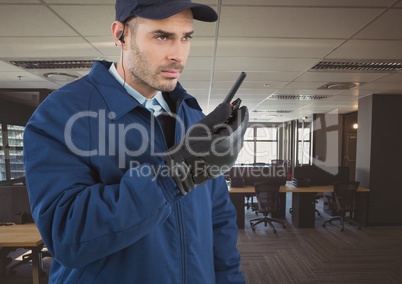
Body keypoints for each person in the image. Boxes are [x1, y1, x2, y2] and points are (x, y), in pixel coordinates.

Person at [23, 0, 248, 283]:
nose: (178, 54)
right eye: (162, 36)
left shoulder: (193, 115)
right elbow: (66, 236)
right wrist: (175, 176)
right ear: (121, 35)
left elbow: (218, 220)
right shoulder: (63, 114)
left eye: (186, 37)